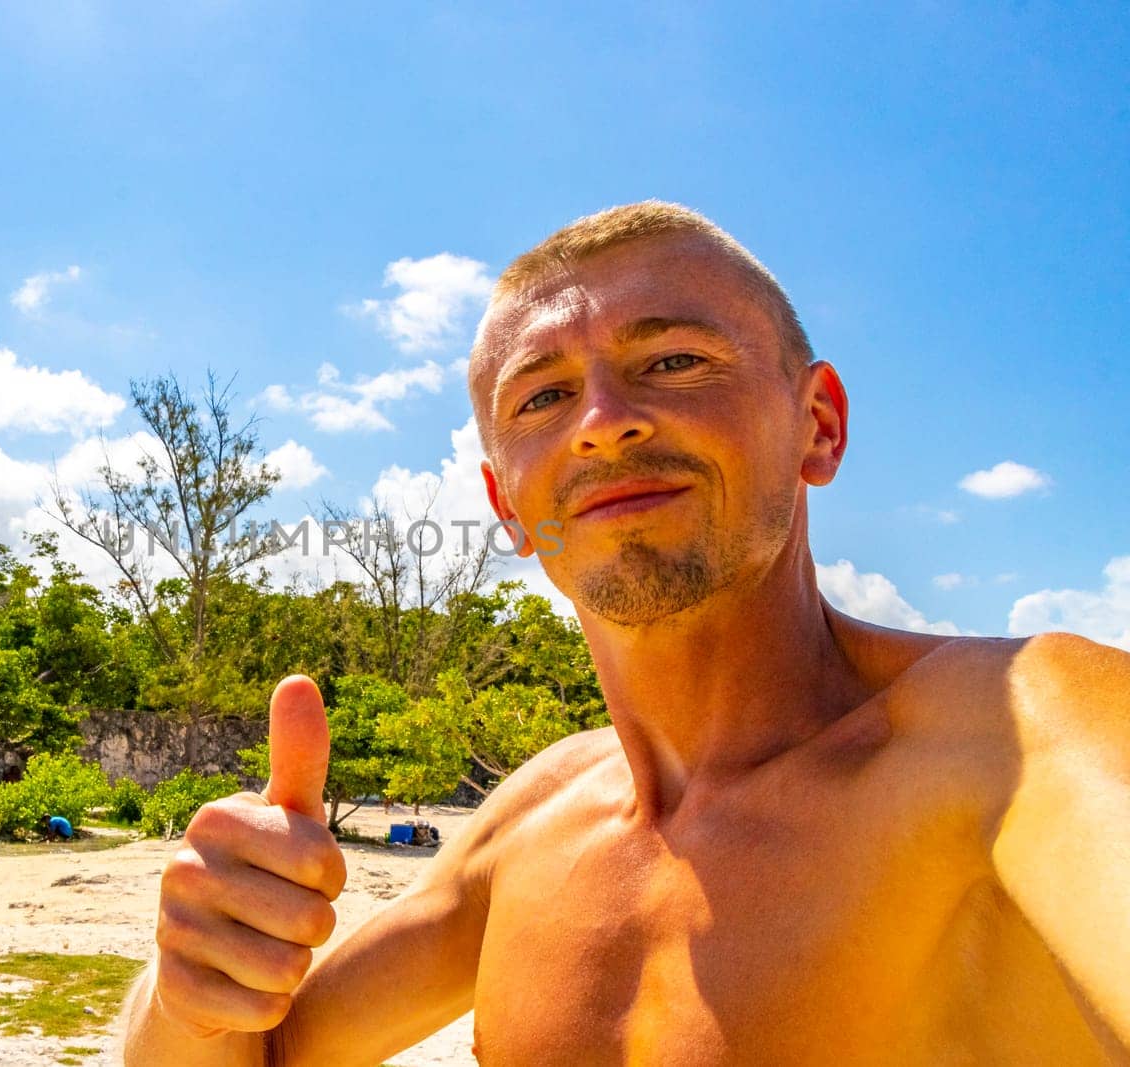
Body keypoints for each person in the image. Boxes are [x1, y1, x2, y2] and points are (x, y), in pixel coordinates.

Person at [123, 202, 1130, 1064]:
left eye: (674, 359)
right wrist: (189, 982)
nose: (603, 420)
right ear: (509, 508)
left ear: (816, 423)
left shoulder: (1013, 736)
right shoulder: (538, 817)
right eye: (544, 395)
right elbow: (256, 1049)